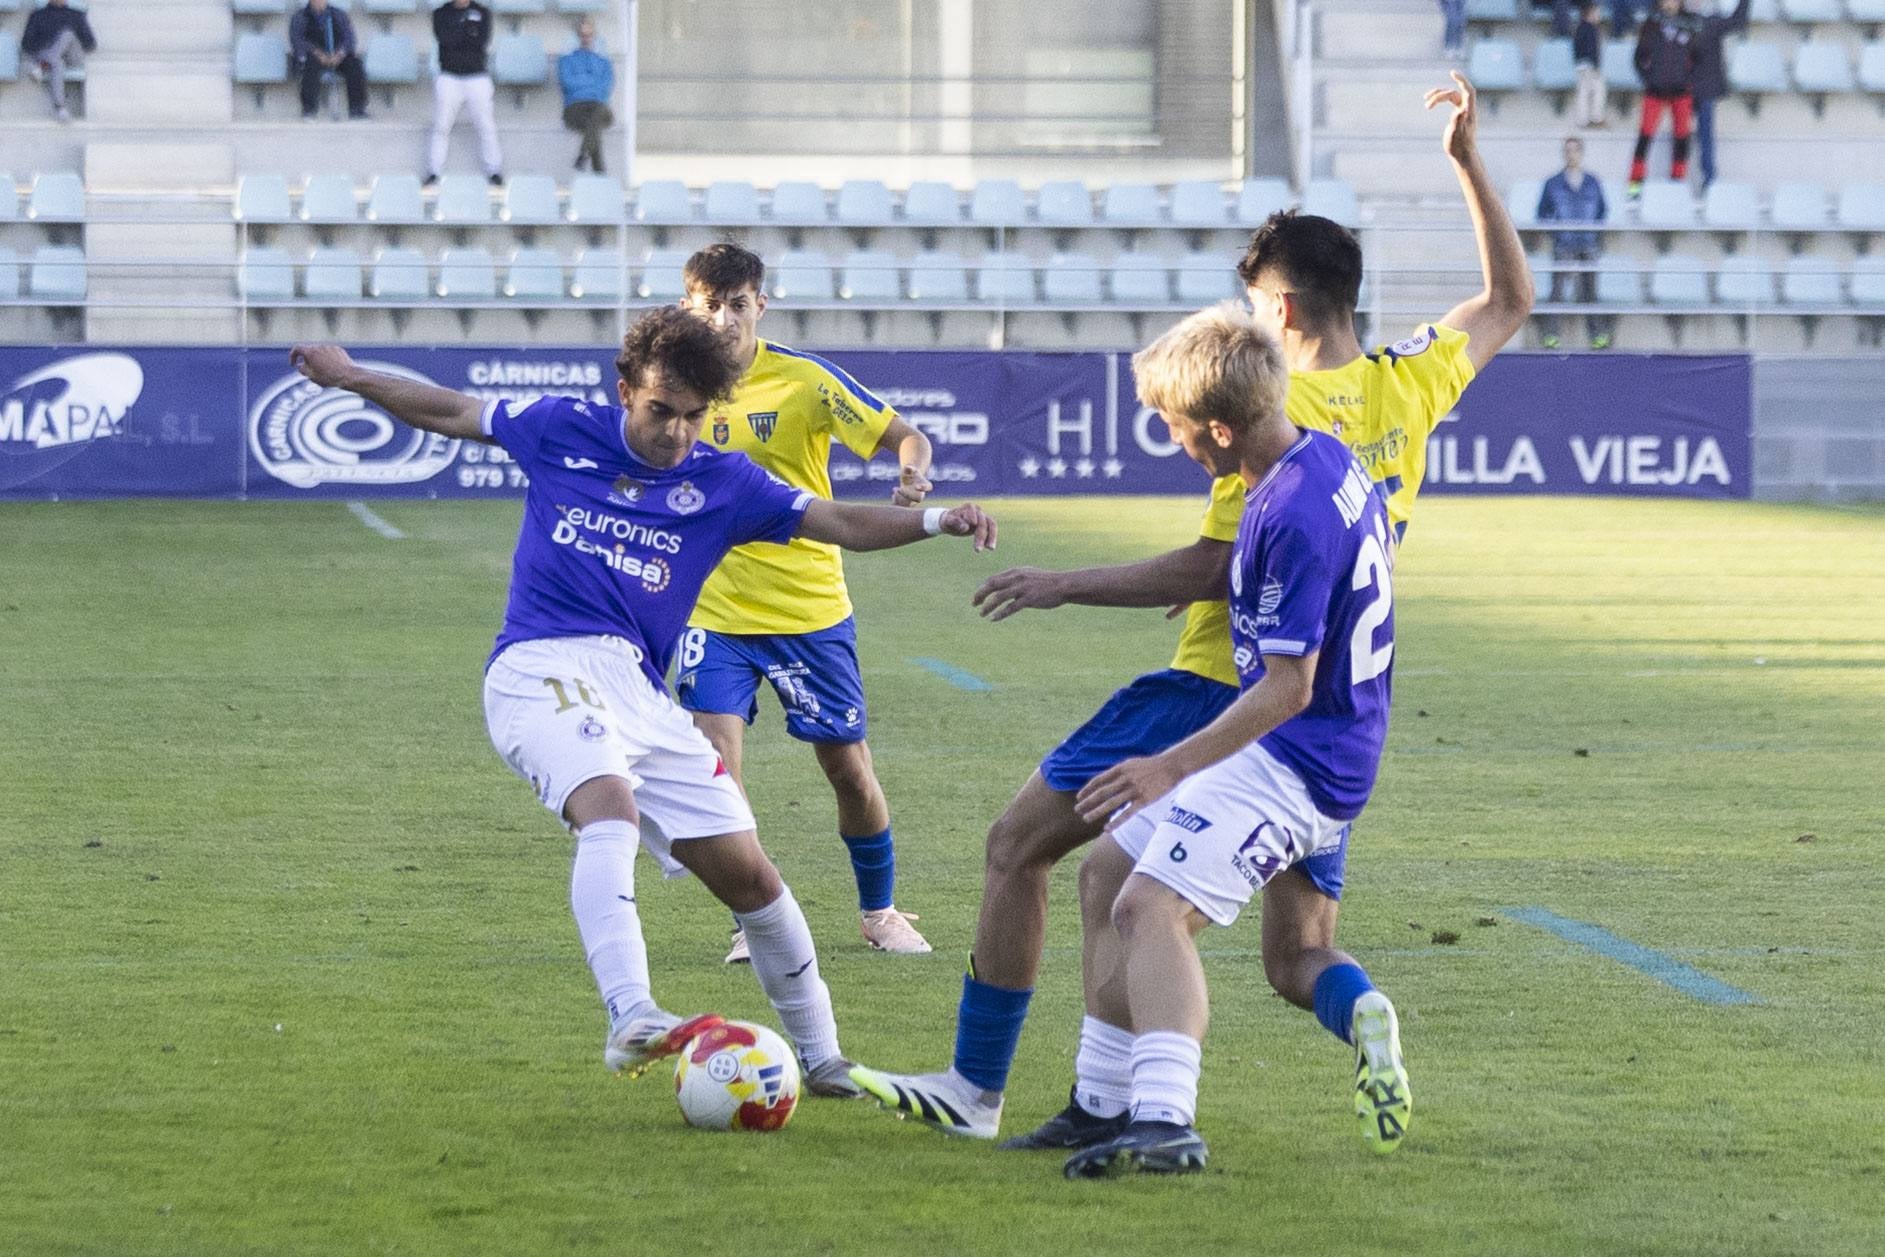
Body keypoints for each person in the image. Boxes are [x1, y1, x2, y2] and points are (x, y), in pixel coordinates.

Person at [848, 71, 1531, 1144]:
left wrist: (1062, 584)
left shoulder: (1267, 415)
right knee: (1290, 949)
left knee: (1023, 851)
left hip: (1230, 692)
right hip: (1338, 716)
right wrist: (1464, 164)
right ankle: (1131, 1091)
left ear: (1284, 313)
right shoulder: (1407, 383)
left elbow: (1213, 569)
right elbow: (1507, 303)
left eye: (1256, 305)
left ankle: (986, 1090)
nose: (1246, 323)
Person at [284, 309, 996, 1097]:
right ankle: (632, 1011)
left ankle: (822, 1057)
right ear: (626, 391)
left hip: (640, 692)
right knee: (610, 810)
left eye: (694, 416)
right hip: (539, 663)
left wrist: (932, 518)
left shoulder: (721, 481)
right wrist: (348, 375)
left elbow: (835, 520)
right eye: (661, 411)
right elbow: (453, 411)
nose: (676, 432)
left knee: (754, 880)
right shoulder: (561, 428)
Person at [1054, 305, 1405, 1178]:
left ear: (1217, 427)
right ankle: (1100, 1103)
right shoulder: (1319, 454)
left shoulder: (1287, 508)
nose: (1172, 442)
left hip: (1296, 755)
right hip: (1334, 744)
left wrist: (1166, 765)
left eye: (1173, 426)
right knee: (1116, 877)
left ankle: (1164, 1119)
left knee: (1148, 907)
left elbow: (1287, 685)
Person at [675, 243, 940, 963]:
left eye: (737, 305)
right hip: (713, 613)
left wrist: (912, 477)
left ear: (760, 305)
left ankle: (879, 911)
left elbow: (905, 437)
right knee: (715, 762)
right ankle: (750, 921)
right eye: (709, 305)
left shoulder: (804, 381)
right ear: (686, 306)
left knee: (847, 768)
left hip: (808, 610)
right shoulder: (673, 382)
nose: (724, 319)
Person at [1537, 136, 1615, 350]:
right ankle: (1551, 336)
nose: (1571, 155)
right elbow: (1542, 213)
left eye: (1575, 150)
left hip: (1588, 242)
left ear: (1581, 153)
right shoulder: (1552, 183)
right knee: (1557, 291)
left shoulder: (1593, 182)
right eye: (1567, 150)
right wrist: (1556, 233)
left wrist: (1595, 235)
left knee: (1591, 291)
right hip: (1564, 242)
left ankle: (1597, 336)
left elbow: (1602, 211)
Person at [428, 0, 502, 188]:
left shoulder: (483, 12)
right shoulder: (440, 13)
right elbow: (446, 40)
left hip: (477, 76)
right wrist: (467, 30)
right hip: (449, 76)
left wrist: (461, 34)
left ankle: (494, 170)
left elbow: (481, 42)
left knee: (486, 125)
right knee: (441, 125)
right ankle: (434, 171)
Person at [1628, 0, 1695, 197]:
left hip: (1681, 91)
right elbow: (1638, 57)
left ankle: (1677, 185)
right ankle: (1634, 188)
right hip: (1655, 91)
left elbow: (1699, 56)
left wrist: (1689, 79)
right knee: (1645, 136)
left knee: (1682, 138)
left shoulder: (1690, 24)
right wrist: (1649, 77)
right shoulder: (1651, 24)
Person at [1686, 0, 1751, 191]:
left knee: (1705, 135)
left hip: (1705, 89)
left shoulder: (1712, 23)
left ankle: (1709, 179)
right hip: (1680, 87)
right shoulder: (1678, 21)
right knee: (1681, 134)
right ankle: (1676, 180)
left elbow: (1738, 21)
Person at [290, 0, 369, 122]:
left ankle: (357, 110)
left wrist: (339, 54)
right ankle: (309, 111)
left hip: (336, 56)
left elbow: (349, 38)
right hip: (313, 56)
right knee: (309, 66)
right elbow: (297, 40)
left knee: (354, 64)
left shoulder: (338, 14)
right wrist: (317, 53)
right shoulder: (300, 17)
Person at [20, 0, 96, 125]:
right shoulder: (38, 15)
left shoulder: (76, 14)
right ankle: (60, 107)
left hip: (72, 57)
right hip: (50, 57)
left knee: (67, 34)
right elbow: (27, 44)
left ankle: (41, 67)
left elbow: (90, 43)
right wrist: (47, 45)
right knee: (57, 62)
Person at [558, 18, 615, 174]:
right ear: (577, 37)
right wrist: (591, 84)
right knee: (594, 127)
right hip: (575, 108)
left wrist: (583, 83)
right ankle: (599, 174)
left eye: (589, 35)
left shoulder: (603, 61)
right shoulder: (566, 60)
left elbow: (606, 86)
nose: (586, 38)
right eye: (582, 35)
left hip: (598, 106)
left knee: (598, 115)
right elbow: (567, 83)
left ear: (594, 36)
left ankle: (584, 154)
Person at [1573, 3, 1608, 128]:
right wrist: (1595, 66)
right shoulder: (1591, 29)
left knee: (1583, 91)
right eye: (1597, 13)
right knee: (1598, 89)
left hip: (1581, 65)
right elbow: (1592, 49)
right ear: (1591, 13)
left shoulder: (1579, 28)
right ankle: (1596, 118)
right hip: (1590, 65)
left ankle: (1582, 120)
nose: (1599, 16)